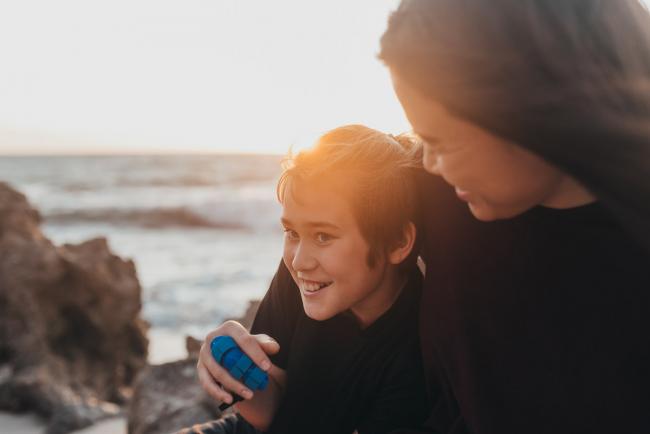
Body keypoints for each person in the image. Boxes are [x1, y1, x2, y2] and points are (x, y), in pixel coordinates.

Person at [376, 1, 650, 433]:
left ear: (530, 115)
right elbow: (316, 267)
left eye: (440, 142)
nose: (427, 161)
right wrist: (246, 347)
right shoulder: (432, 194)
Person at [181, 125, 429, 434]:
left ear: (397, 242)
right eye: (292, 233)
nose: (299, 261)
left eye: (323, 236)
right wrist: (236, 373)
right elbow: (271, 412)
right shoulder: (302, 280)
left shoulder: (419, 344)